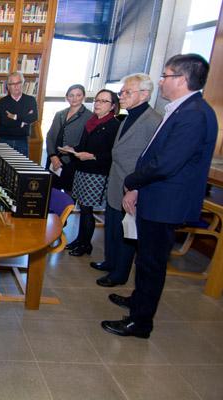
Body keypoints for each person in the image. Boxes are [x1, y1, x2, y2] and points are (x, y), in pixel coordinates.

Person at [103, 54, 218, 338]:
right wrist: (139, 188)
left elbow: (167, 163)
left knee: (152, 263)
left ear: (181, 79)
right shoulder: (179, 109)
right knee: (145, 259)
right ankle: (138, 302)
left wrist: (133, 181)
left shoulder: (194, 114)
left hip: (166, 202)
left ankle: (140, 322)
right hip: (154, 195)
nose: (162, 81)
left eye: (166, 76)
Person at [92, 74, 162, 287]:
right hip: (116, 179)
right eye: (122, 92)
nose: (121, 96)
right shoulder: (127, 115)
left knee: (125, 232)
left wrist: (136, 186)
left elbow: (152, 158)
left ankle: (119, 273)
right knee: (112, 226)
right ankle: (110, 262)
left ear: (144, 94)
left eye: (126, 92)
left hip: (131, 184)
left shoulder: (153, 120)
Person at [62, 89, 120, 257]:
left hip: (96, 173)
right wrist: (72, 150)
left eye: (103, 101)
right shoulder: (91, 122)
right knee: (81, 207)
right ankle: (79, 240)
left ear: (112, 106)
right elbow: (83, 146)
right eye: (97, 100)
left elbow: (113, 153)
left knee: (87, 210)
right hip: (82, 170)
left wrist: (93, 156)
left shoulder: (113, 125)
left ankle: (86, 244)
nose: (98, 104)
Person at [45, 84, 93, 191]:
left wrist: (72, 151)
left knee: (69, 193)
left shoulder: (90, 117)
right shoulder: (60, 114)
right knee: (50, 192)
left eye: (78, 95)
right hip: (54, 159)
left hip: (72, 162)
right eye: (71, 95)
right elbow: (50, 136)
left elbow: (87, 142)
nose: (74, 98)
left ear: (84, 97)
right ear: (67, 97)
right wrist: (53, 155)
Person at [0, 72, 38, 157]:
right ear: (8, 86)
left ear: (23, 84)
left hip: (22, 141)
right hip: (4, 140)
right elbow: (5, 121)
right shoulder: (2, 102)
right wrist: (22, 121)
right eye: (12, 84)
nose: (16, 86)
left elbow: (34, 117)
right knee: (2, 168)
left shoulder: (30, 100)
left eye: (18, 83)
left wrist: (15, 116)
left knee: (21, 168)